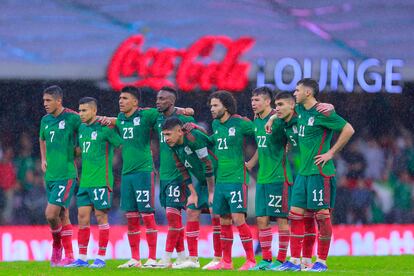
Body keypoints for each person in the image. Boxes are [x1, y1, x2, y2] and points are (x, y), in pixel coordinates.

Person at [278, 78, 354, 272]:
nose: (294, 93)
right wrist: (271, 118)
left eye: (297, 91)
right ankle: (295, 261)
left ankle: (321, 261)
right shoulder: (301, 111)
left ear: (308, 93)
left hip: (320, 173)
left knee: (321, 216)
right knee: (295, 216)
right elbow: (284, 112)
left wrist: (331, 153)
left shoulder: (324, 112)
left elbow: (348, 129)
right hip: (303, 173)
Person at [66, 97, 122, 268]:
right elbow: (79, 151)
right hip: (85, 182)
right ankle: (82, 258)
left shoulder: (105, 128)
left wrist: (113, 123)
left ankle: (101, 258)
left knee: (101, 217)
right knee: (82, 218)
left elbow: (120, 143)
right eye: (80, 110)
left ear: (94, 111)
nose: (81, 114)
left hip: (101, 181)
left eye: (84, 110)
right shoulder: (82, 129)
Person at [162, 117, 221, 269]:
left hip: (218, 178)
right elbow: (182, 169)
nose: (166, 138)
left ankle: (218, 258)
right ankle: (193, 259)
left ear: (179, 132)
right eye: (164, 135)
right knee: (191, 211)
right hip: (202, 182)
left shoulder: (193, 139)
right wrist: (192, 193)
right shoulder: (173, 145)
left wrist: (211, 192)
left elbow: (208, 165)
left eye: (168, 134)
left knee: (216, 214)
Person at [207, 90, 256, 271]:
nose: (212, 109)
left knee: (238, 219)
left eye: (215, 105)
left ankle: (251, 260)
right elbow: (214, 142)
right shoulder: (215, 125)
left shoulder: (240, 123)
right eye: (211, 105)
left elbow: (261, 134)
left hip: (237, 178)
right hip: (221, 180)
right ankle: (226, 262)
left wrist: (252, 162)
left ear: (225, 107)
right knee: (224, 220)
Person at [245, 87, 292, 271]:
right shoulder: (257, 121)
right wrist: (251, 163)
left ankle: (281, 260)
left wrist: (288, 143)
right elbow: (261, 145)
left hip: (278, 178)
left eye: (257, 100)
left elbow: (291, 131)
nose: (253, 103)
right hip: (263, 179)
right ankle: (265, 259)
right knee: (262, 220)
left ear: (267, 102)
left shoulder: (279, 119)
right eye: (252, 100)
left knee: (281, 220)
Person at [115, 86, 160, 268]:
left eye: (125, 98)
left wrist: (183, 111)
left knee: (147, 214)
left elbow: (166, 110)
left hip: (143, 171)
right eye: (120, 98)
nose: (121, 101)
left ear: (135, 101)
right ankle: (135, 258)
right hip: (127, 174)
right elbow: (113, 122)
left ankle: (152, 258)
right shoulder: (119, 118)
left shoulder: (146, 115)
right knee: (131, 216)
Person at [153, 87, 196, 268]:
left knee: (173, 218)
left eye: (162, 99)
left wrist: (184, 110)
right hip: (164, 175)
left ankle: (166, 258)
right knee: (175, 218)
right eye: (157, 98)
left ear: (171, 102)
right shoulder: (155, 117)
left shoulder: (185, 119)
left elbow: (193, 127)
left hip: (179, 175)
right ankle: (182, 257)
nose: (157, 101)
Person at [39, 85, 80, 266]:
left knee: (50, 214)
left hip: (66, 174)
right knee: (63, 214)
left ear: (58, 101)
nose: (45, 104)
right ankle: (69, 256)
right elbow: (42, 138)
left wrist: (76, 153)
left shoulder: (72, 118)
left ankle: (57, 247)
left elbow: (86, 134)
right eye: (44, 101)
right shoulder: (45, 120)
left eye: (48, 100)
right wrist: (43, 159)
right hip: (51, 175)